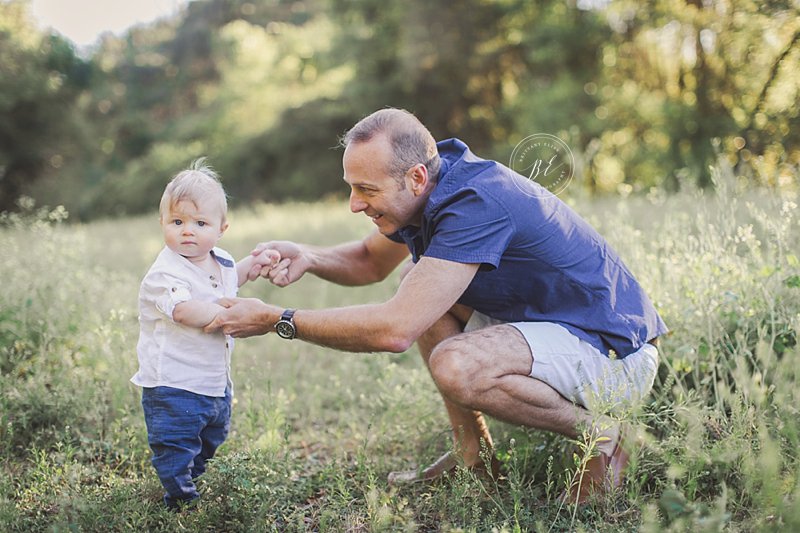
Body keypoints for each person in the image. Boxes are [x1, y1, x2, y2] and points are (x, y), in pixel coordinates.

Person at [206, 108, 668, 503]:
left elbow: (394, 330)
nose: (353, 203)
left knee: (457, 364)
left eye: (365, 190)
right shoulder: (427, 184)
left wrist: (275, 320)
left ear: (416, 177)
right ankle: (475, 455)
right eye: (352, 187)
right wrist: (309, 255)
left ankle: (605, 435)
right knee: (417, 279)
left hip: (614, 355)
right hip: (554, 329)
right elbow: (370, 261)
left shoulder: (475, 202)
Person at [131, 159, 279, 510]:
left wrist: (252, 266)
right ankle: (180, 498)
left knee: (214, 434)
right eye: (177, 221)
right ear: (163, 223)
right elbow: (184, 310)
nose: (187, 231)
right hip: (174, 383)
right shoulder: (164, 274)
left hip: (213, 381)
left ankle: (194, 478)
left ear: (221, 228)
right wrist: (224, 314)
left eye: (200, 223)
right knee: (176, 443)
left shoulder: (220, 259)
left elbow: (228, 282)